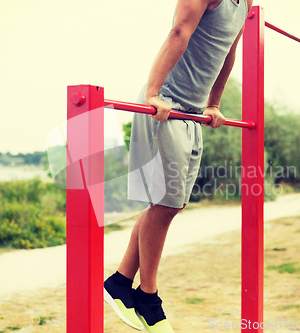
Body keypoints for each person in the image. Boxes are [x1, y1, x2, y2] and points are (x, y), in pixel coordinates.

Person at [104, 0, 253, 331]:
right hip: (166, 105)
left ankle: (119, 282)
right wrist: (154, 94)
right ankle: (148, 295)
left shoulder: (246, 2)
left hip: (192, 112)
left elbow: (228, 53)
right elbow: (179, 30)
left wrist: (214, 102)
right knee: (165, 203)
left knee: (172, 204)